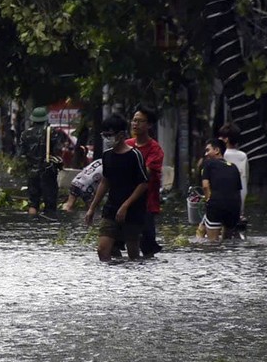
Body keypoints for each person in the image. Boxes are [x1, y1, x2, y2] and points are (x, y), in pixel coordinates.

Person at [84, 114, 149, 261]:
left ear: (120, 135)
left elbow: (143, 183)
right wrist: (92, 208)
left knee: (133, 252)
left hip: (133, 210)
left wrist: (126, 206)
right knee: (102, 250)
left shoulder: (134, 155)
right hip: (112, 208)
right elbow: (105, 181)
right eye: (104, 135)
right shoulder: (107, 155)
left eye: (109, 135)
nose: (106, 139)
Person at [128, 105, 164, 257]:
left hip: (147, 203)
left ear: (149, 125)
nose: (135, 124)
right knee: (114, 244)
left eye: (140, 121)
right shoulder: (127, 145)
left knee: (147, 247)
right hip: (124, 200)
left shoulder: (155, 149)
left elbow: (146, 173)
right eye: (134, 120)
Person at [20, 107, 68, 215]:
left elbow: (22, 154)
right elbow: (57, 151)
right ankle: (49, 226)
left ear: (33, 119)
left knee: (33, 203)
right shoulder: (52, 132)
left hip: (32, 172)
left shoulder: (25, 134)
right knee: (50, 202)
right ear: (45, 118)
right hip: (48, 170)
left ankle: (32, 224)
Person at [200, 138, 242, 241]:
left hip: (216, 205)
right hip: (234, 207)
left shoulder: (208, 164)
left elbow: (205, 186)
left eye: (208, 150)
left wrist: (208, 200)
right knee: (227, 241)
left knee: (213, 243)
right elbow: (238, 190)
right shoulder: (234, 167)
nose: (206, 154)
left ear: (217, 150)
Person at [217, 123, 248, 215]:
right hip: (239, 197)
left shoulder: (220, 155)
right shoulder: (243, 156)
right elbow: (245, 177)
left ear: (226, 139)